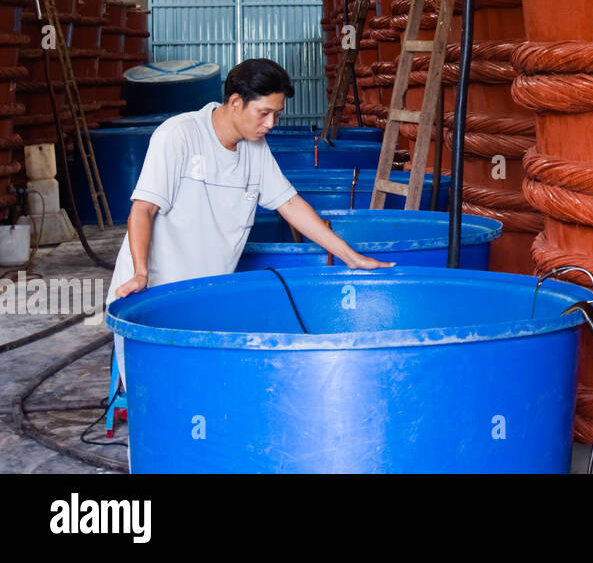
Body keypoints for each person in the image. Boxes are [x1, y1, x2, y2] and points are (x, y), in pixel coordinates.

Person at [106, 58, 393, 386]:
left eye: (277, 114)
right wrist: (141, 272)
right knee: (169, 401)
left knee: (213, 395)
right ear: (235, 103)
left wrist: (350, 256)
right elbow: (143, 209)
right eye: (264, 113)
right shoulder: (179, 135)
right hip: (155, 296)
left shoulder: (255, 150)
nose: (271, 123)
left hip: (206, 297)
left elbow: (290, 204)